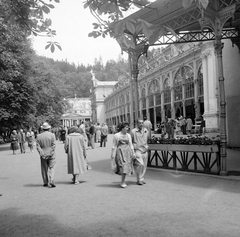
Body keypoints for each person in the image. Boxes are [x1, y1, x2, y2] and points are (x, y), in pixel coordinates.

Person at [111, 122, 135, 188]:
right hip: (120, 151)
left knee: (126, 166)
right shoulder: (116, 135)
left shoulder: (128, 135)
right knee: (123, 165)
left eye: (128, 127)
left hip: (127, 152)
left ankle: (123, 181)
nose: (127, 128)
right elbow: (114, 145)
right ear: (122, 128)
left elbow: (130, 144)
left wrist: (133, 152)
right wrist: (112, 155)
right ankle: (122, 181)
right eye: (126, 127)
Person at [36, 122, 56, 188]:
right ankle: (51, 180)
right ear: (49, 128)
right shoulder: (52, 135)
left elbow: (38, 146)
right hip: (51, 154)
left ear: (43, 129)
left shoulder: (39, 136)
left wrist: (42, 154)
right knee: (52, 167)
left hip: (43, 154)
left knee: (44, 169)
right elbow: (54, 145)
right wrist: (50, 153)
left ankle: (45, 182)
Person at [131, 119, 149, 185]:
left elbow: (147, 139)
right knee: (140, 164)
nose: (141, 124)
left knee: (144, 166)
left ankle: (141, 179)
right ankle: (139, 179)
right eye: (139, 123)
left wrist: (147, 146)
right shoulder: (133, 132)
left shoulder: (146, 131)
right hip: (137, 150)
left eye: (142, 123)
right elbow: (130, 141)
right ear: (137, 124)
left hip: (144, 150)